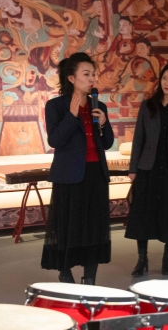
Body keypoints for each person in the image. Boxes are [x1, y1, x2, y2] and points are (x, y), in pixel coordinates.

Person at [42, 52, 115, 284]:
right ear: (71, 78)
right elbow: (55, 140)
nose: (92, 78)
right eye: (86, 74)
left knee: (94, 227)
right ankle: (65, 273)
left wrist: (104, 123)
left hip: (96, 174)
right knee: (68, 226)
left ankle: (90, 278)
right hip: (69, 175)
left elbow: (107, 143)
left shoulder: (98, 105)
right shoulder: (56, 106)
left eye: (93, 74)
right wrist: (72, 115)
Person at [125, 63, 168, 276]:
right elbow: (138, 139)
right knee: (143, 214)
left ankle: (167, 259)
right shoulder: (148, 106)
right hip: (148, 168)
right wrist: (133, 169)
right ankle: (142, 259)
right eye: (165, 78)